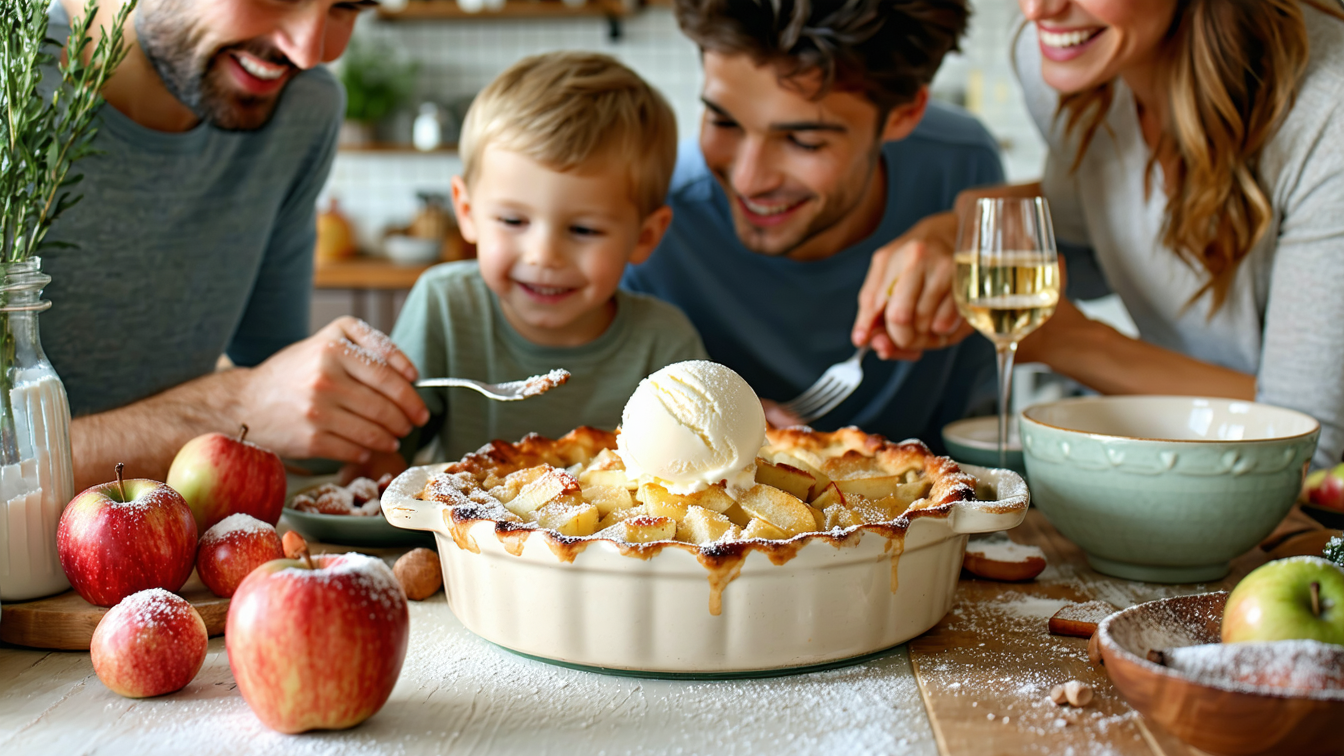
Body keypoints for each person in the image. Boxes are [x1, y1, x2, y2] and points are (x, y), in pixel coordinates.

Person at [855, 0, 1344, 467]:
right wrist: (958, 232)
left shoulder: (1328, 109)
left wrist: (1068, 341)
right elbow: (1107, 250)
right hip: (1182, 465)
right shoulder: (1064, 57)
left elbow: (1309, 442)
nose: (1036, 11)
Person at [43, 0, 431, 491]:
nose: (310, 52)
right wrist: (233, 408)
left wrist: (351, 434)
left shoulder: (299, 107)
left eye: (347, 7)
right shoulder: (16, 92)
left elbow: (278, 395)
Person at [622, 0, 1004, 451]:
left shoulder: (960, 165)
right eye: (723, 120)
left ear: (903, 114)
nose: (748, 179)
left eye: (803, 141)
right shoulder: (652, 223)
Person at [385, 52, 707, 465]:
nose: (544, 255)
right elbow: (380, 457)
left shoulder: (665, 342)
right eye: (513, 220)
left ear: (644, 236)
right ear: (467, 213)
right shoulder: (446, 308)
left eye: (584, 230)